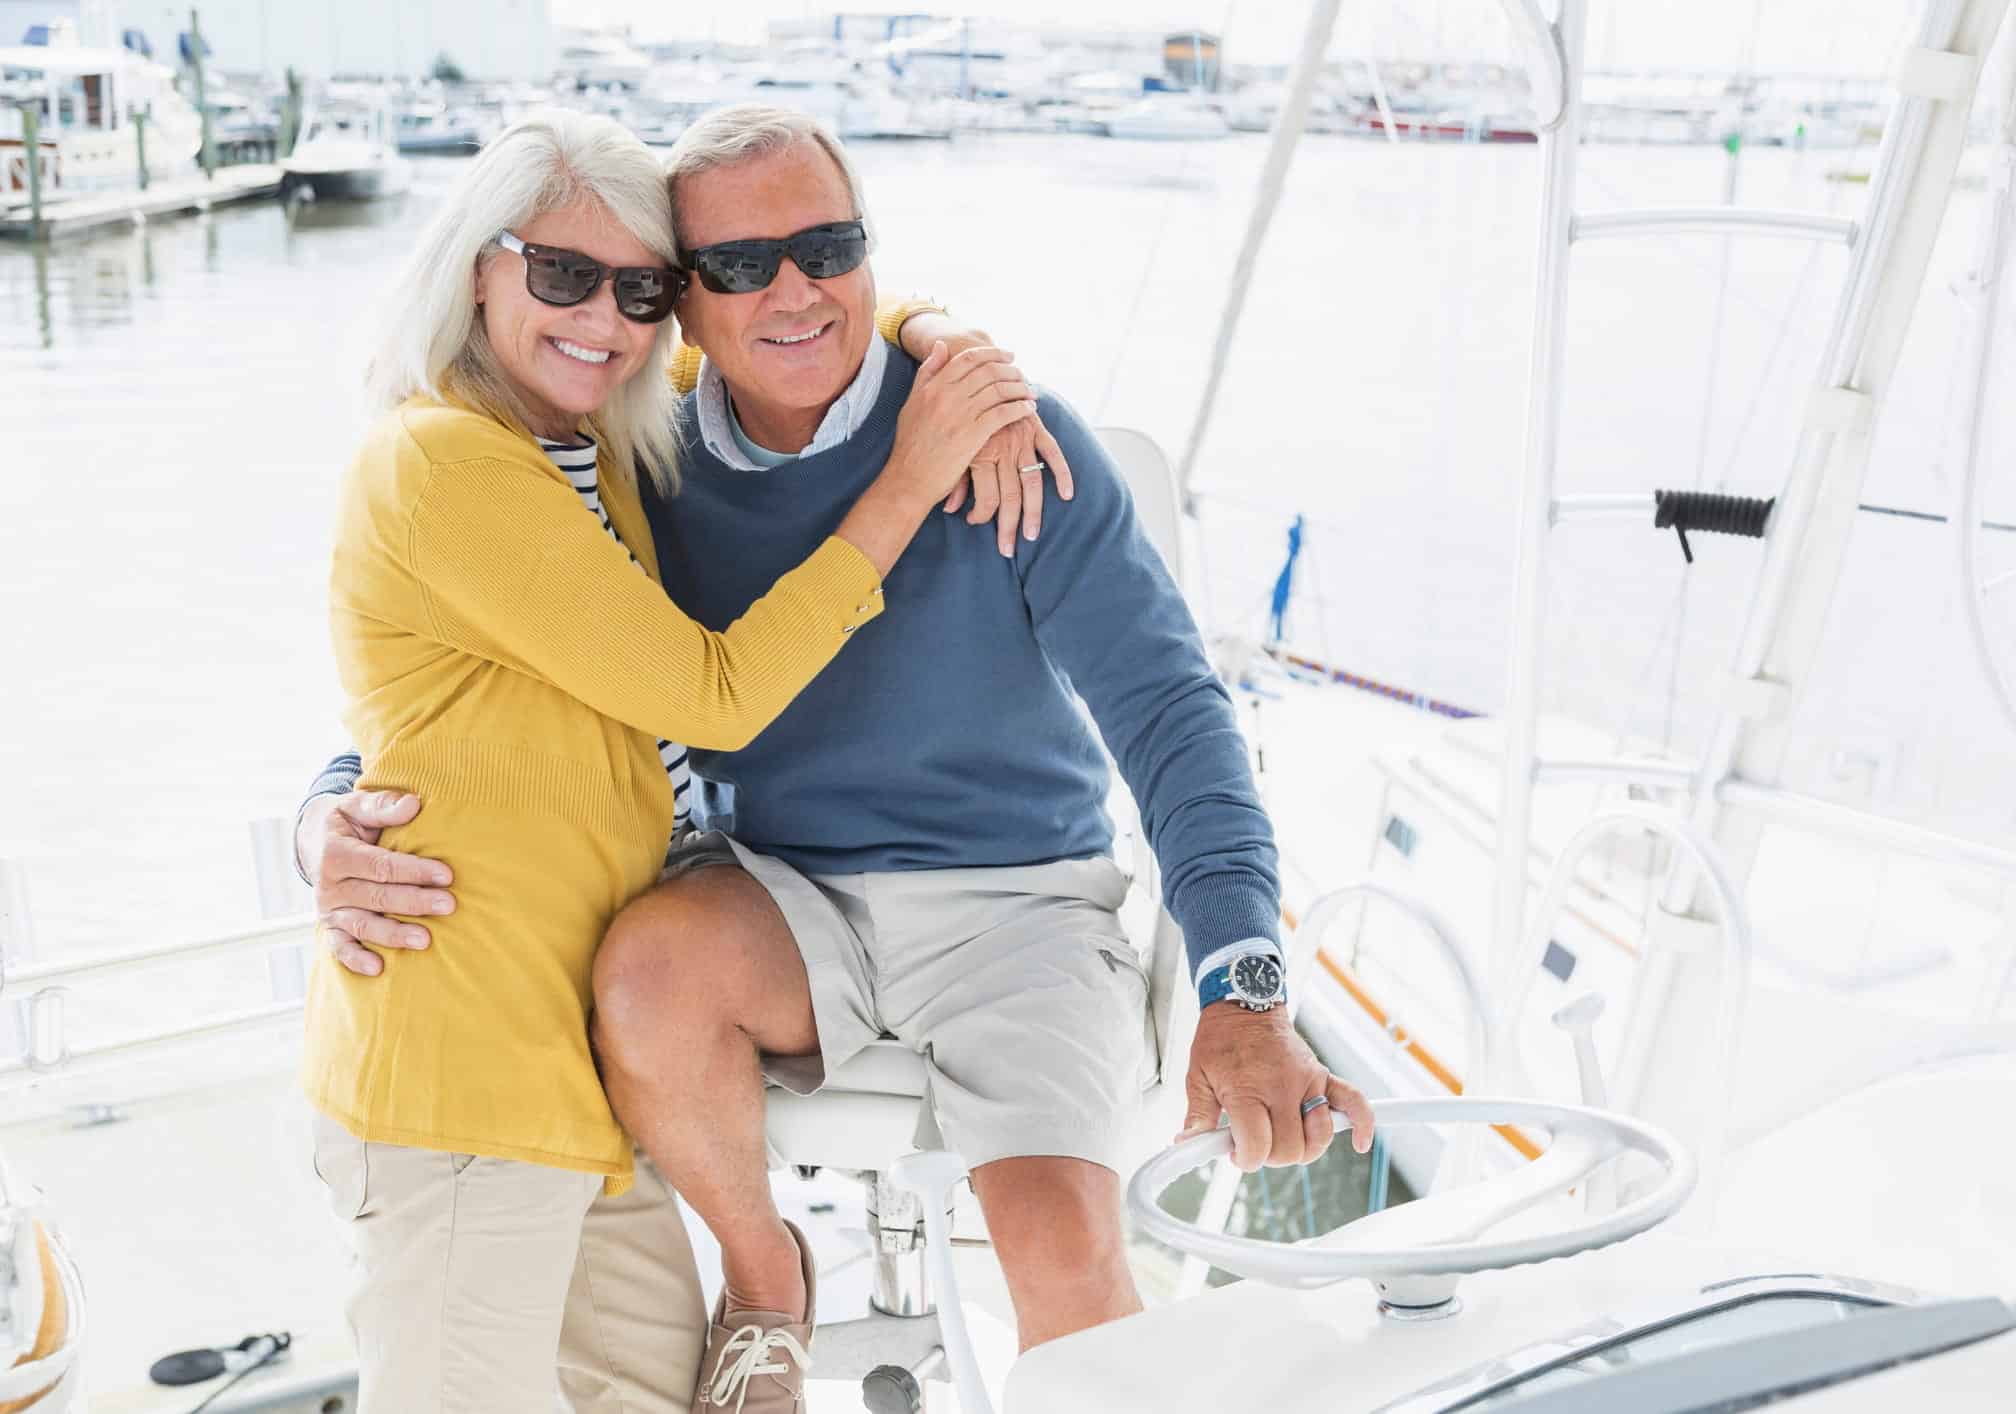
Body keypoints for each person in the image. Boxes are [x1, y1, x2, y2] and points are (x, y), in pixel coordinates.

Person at [300, 105, 1377, 1413]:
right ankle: (768, 1278)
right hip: (773, 896)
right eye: (739, 267)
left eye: (829, 246)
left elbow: (1173, 715)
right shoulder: (655, 465)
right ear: (689, 310)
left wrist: (1244, 982)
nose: (794, 289)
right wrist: (329, 815)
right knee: (647, 971)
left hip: (1016, 904)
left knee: (1068, 1266)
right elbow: (470, 682)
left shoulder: (1002, 436)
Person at [304, 108, 1043, 1413]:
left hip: (581, 1075)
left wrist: (934, 336)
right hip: (465, 1085)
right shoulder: (442, 463)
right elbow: (718, 693)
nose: (605, 316)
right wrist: (911, 478)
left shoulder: (595, 445)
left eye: (642, 285)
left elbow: (798, 333)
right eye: (561, 273)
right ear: (479, 263)